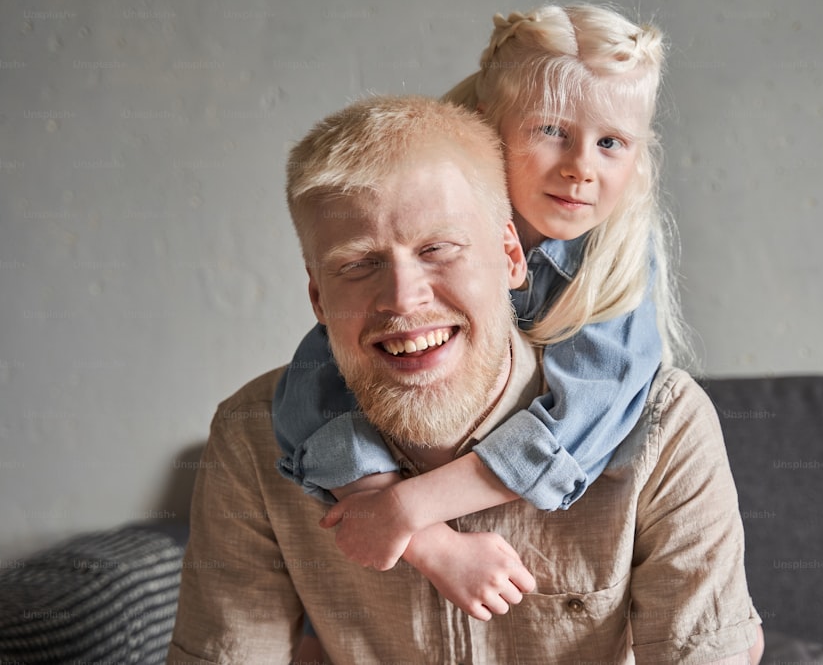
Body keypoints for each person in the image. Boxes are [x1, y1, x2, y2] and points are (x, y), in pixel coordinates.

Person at [167, 94, 763, 663]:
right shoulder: (251, 436)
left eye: (438, 249)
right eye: (359, 264)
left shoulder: (665, 428)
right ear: (318, 297)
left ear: (511, 258)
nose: (403, 299)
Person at [272, 4, 694, 621]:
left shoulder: (616, 256)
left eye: (611, 143)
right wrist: (427, 543)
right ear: (490, 130)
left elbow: (584, 420)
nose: (581, 168)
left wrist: (408, 510)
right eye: (551, 131)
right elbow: (310, 397)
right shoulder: (419, 231)